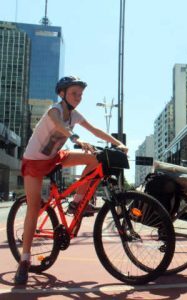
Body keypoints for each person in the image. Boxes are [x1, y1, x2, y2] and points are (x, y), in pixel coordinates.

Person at [14, 76, 128, 285]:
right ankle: (24, 260)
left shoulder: (75, 115)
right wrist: (76, 139)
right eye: (74, 93)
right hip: (35, 161)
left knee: (95, 159)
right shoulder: (54, 110)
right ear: (62, 94)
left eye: (81, 94)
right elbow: (59, 127)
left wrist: (118, 142)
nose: (78, 97)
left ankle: (76, 203)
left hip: (55, 157)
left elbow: (95, 130)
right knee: (33, 206)